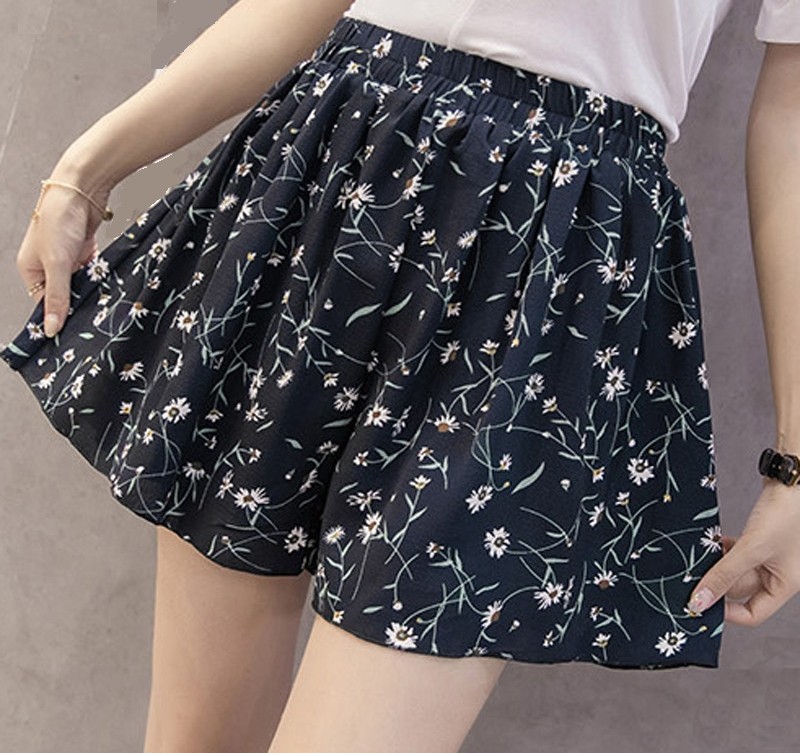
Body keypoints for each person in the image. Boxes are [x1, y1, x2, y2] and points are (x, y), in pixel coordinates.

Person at [2, 0, 800, 751]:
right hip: (338, 175)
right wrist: (87, 169)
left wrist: (797, 464)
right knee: (198, 740)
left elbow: (792, 112)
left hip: (555, 263)